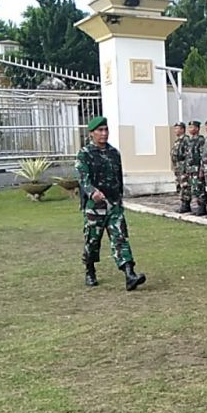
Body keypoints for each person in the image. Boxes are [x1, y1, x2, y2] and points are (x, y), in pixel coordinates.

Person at [76, 116, 147, 291]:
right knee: (92, 240)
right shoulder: (85, 154)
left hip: (114, 203)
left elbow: (118, 177)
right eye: (100, 130)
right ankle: (90, 270)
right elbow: (82, 178)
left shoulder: (114, 153)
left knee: (120, 237)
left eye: (106, 130)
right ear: (92, 133)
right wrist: (92, 192)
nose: (104, 133)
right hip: (95, 206)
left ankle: (130, 274)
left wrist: (120, 197)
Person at [185, 121, 207, 215]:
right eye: (189, 127)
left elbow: (202, 155)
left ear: (197, 129)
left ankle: (202, 207)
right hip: (191, 168)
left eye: (192, 127)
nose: (190, 129)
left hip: (197, 167)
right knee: (194, 188)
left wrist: (202, 169)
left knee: (200, 188)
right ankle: (197, 206)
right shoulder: (190, 140)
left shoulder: (200, 140)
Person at [170, 122, 191, 213]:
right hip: (177, 166)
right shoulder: (178, 140)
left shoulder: (185, 140)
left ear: (182, 129)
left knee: (185, 185)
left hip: (183, 166)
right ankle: (182, 202)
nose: (176, 130)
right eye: (175, 128)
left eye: (178, 128)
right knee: (179, 184)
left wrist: (186, 167)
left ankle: (186, 203)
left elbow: (187, 154)